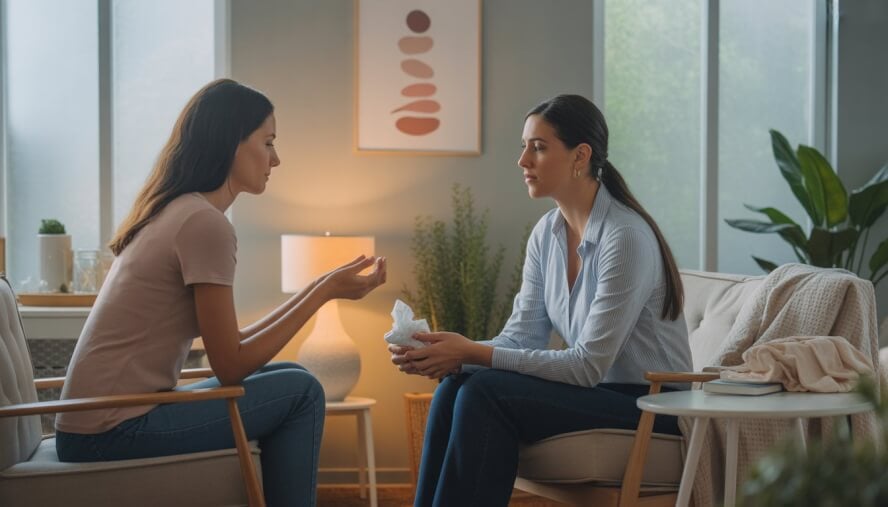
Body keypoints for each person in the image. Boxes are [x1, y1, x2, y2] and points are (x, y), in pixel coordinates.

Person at [55, 79, 387, 507]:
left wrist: (322, 287)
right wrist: (323, 293)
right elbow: (230, 365)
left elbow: (233, 345)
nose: (276, 159)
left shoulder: (182, 211)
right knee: (301, 392)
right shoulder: (203, 224)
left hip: (102, 421)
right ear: (232, 143)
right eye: (267, 142)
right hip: (109, 431)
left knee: (294, 376)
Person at [388, 94, 692, 507]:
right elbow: (521, 337)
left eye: (539, 147)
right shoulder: (547, 233)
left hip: (653, 406)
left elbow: (587, 366)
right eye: (524, 146)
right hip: (602, 393)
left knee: (486, 391)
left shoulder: (625, 237)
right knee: (456, 384)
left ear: (579, 156)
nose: (523, 160)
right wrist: (453, 353)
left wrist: (474, 352)